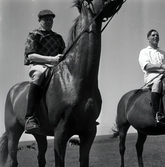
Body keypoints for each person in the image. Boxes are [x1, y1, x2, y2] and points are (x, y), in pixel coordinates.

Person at [24, 9, 65, 133]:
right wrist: (52, 59)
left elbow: (64, 53)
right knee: (39, 75)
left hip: (56, 66)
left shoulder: (58, 37)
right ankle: (29, 117)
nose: (49, 22)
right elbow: (31, 56)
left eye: (51, 20)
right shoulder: (34, 34)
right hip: (39, 65)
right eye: (46, 19)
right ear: (39, 21)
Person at [139, 29, 165, 125]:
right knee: (158, 83)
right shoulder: (144, 52)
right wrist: (161, 66)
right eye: (153, 35)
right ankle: (157, 114)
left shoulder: (162, 53)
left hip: (163, 74)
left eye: (157, 35)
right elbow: (147, 66)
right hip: (151, 76)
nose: (155, 37)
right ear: (148, 38)